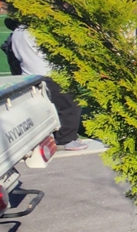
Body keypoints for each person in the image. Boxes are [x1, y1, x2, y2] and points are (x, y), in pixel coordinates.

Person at [10, 23, 87, 151]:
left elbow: (17, 55)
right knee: (70, 105)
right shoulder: (39, 30)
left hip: (29, 74)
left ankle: (54, 135)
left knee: (46, 107)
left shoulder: (17, 32)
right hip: (50, 73)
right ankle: (66, 139)